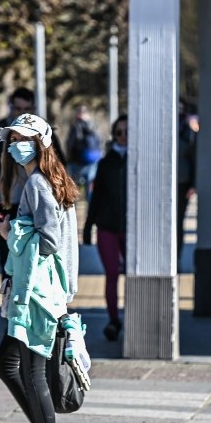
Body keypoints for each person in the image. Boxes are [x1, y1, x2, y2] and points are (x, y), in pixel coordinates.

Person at [0, 113, 81, 423]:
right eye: (11, 139)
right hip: (45, 292)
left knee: (32, 374)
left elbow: (47, 242)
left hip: (38, 295)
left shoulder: (39, 184)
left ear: (41, 142)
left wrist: (9, 230)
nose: (15, 145)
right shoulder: (50, 180)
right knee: (6, 364)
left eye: (22, 138)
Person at [0, 87, 66, 278]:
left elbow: (60, 168)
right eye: (17, 109)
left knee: (28, 262)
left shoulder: (44, 134)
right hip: (5, 206)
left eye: (26, 109)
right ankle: (10, 298)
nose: (20, 113)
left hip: (33, 208)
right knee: (8, 263)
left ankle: (22, 298)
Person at [83, 115, 128, 341]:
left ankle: (133, 317)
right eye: (119, 132)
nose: (123, 136)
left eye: (127, 132)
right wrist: (88, 226)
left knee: (133, 274)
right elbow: (96, 196)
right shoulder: (105, 163)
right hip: (107, 225)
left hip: (132, 228)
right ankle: (113, 320)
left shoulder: (139, 161)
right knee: (112, 273)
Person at [66, 104, 102, 197]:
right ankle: (91, 209)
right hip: (92, 161)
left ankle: (73, 209)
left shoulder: (76, 126)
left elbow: (70, 143)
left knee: (73, 192)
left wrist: (68, 158)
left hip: (77, 162)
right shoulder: (94, 125)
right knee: (90, 192)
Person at [177, 103, 198, 263]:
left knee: (178, 222)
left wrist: (193, 185)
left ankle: (176, 258)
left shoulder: (189, 134)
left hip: (183, 183)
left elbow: (195, 160)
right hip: (164, 185)